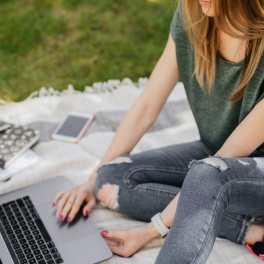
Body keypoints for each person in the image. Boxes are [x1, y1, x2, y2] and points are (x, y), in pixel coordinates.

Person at [53, 0, 264, 263]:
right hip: (216, 156)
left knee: (208, 174)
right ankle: (251, 231)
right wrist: (90, 180)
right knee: (108, 180)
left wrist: (151, 230)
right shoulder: (193, 13)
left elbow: (220, 162)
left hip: (251, 172)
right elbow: (147, 105)